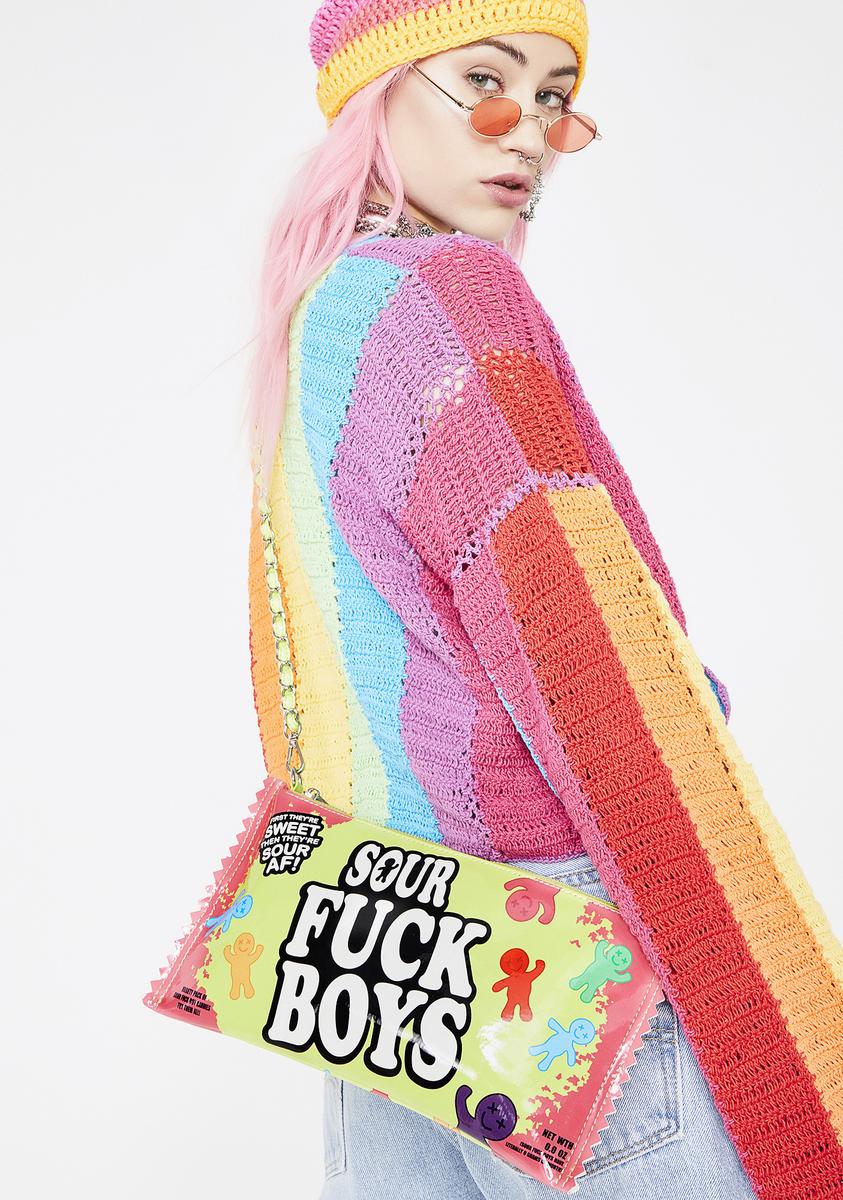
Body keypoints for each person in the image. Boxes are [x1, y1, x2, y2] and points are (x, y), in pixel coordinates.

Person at [244, 4, 843, 1199]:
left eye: (556, 97)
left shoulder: (324, 311)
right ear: (376, 91)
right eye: (485, 79)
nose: (524, 130)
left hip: (379, 940)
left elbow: (306, 666)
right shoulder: (450, 295)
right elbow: (577, 642)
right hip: (546, 933)